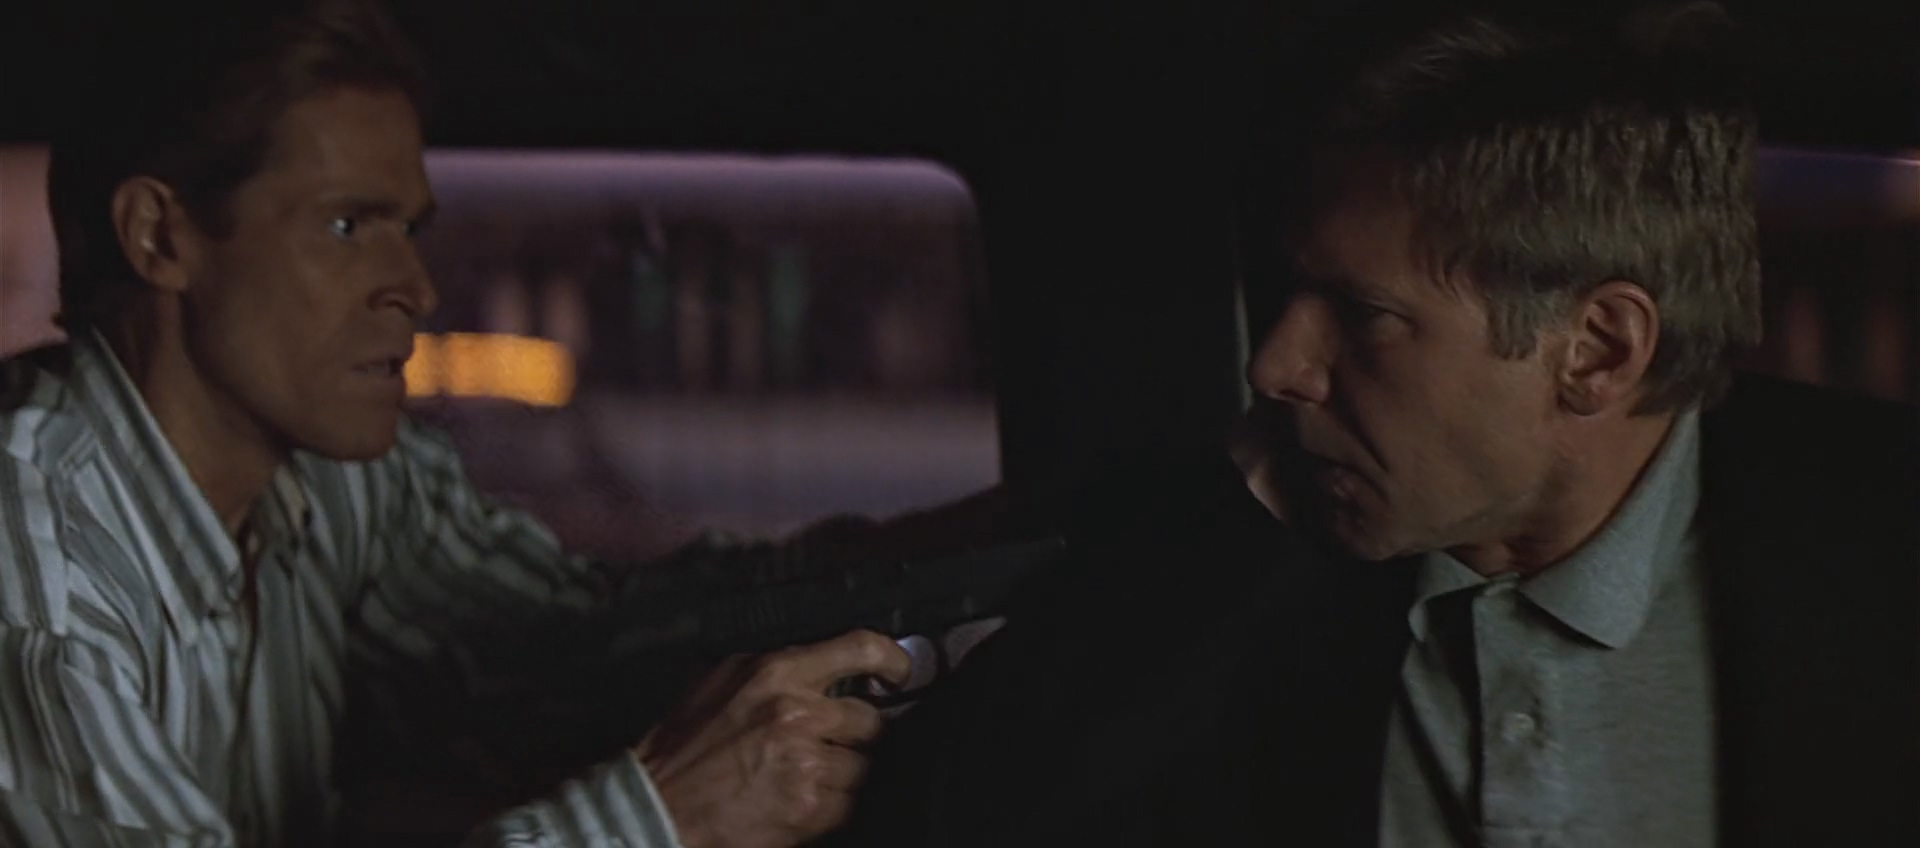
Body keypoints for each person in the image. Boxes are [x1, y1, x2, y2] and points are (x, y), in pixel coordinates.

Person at [832, 3, 1919, 846]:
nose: (1276, 365)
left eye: (1364, 314)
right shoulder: (1232, 553)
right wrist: (1220, 537)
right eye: (1291, 295)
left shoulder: (1878, 550)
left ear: (1597, 350)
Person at [0, 1, 913, 845]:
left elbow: (567, 639)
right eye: (348, 227)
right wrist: (657, 819)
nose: (416, 286)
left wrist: (887, 571)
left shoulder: (330, 477)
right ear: (159, 236)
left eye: (409, 230)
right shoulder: (34, 569)